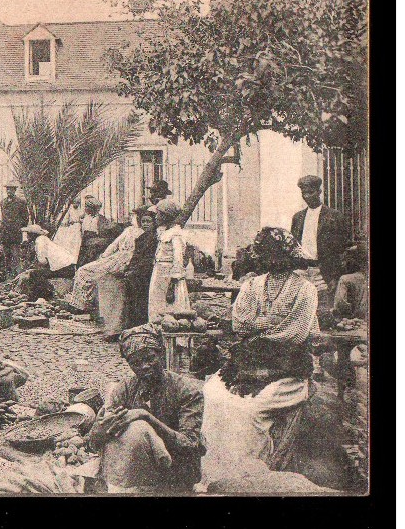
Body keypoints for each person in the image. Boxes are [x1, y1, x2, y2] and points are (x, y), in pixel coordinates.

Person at [201, 227, 350, 491]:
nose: (272, 261)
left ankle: (250, 472)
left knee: (247, 409)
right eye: (266, 255)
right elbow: (240, 324)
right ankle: (217, 473)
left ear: (289, 256)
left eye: (277, 255)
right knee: (213, 393)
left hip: (287, 366)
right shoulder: (252, 285)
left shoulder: (305, 289)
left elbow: (295, 332)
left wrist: (260, 329)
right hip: (249, 360)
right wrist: (268, 324)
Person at [88, 323, 205, 493]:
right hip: (137, 470)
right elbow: (94, 444)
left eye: (150, 358)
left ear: (161, 353)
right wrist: (99, 430)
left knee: (138, 427)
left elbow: (189, 444)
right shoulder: (125, 389)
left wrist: (147, 417)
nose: (144, 366)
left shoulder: (187, 391)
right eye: (136, 363)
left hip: (177, 473)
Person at [65, 206, 151, 336]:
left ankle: (101, 315)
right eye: (140, 219)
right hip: (117, 257)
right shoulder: (129, 230)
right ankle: (82, 305)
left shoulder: (147, 235)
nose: (142, 222)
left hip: (129, 261)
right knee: (85, 270)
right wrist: (104, 256)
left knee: (103, 277)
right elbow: (114, 244)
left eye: (146, 220)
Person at [291, 175, 348, 312]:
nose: (307, 196)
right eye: (304, 193)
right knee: (300, 310)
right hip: (302, 270)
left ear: (319, 192)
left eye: (310, 192)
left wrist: (335, 276)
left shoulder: (334, 216)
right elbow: (293, 245)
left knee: (322, 311)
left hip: (323, 272)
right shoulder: (298, 218)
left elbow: (341, 249)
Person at [148, 199, 191, 321]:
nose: (155, 217)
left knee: (170, 306)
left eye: (158, 214)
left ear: (166, 216)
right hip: (159, 273)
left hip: (169, 276)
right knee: (156, 302)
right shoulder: (164, 232)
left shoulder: (175, 234)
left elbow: (178, 259)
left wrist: (172, 283)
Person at [123, 207, 160, 328]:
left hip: (146, 274)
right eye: (143, 221)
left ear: (154, 223)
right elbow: (135, 257)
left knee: (142, 301)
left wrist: (134, 271)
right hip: (137, 273)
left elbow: (148, 260)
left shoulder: (155, 239)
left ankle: (141, 325)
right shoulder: (141, 238)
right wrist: (128, 269)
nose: (145, 224)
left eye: (148, 221)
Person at [19, 224, 76, 301]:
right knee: (37, 273)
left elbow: (42, 261)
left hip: (65, 269)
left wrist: (32, 268)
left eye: (28, 234)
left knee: (34, 274)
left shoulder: (39, 241)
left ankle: (43, 296)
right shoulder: (43, 239)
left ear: (33, 235)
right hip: (69, 267)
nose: (27, 236)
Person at [78, 197, 123, 266]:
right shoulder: (85, 218)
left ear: (93, 208)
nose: (85, 208)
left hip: (95, 241)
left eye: (87, 206)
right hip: (85, 240)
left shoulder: (101, 219)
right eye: (85, 206)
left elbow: (109, 230)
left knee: (91, 249)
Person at [0, 181, 29, 277]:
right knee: (6, 256)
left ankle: (16, 275)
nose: (9, 191)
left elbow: (25, 218)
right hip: (4, 233)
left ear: (14, 190)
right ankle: (7, 276)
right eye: (7, 189)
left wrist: (16, 226)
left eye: (11, 189)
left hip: (15, 233)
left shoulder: (21, 202)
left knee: (16, 255)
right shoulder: (2, 202)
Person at [333, 242, 368, 320]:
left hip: (354, 321)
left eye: (344, 260)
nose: (343, 264)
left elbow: (340, 304)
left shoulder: (346, 279)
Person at [53, 197, 84, 263]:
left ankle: (75, 259)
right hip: (72, 228)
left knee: (77, 243)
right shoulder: (70, 209)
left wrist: (80, 220)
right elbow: (65, 220)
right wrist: (69, 221)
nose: (76, 204)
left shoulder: (80, 209)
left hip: (78, 227)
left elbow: (82, 218)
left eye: (78, 203)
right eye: (75, 203)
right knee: (70, 242)